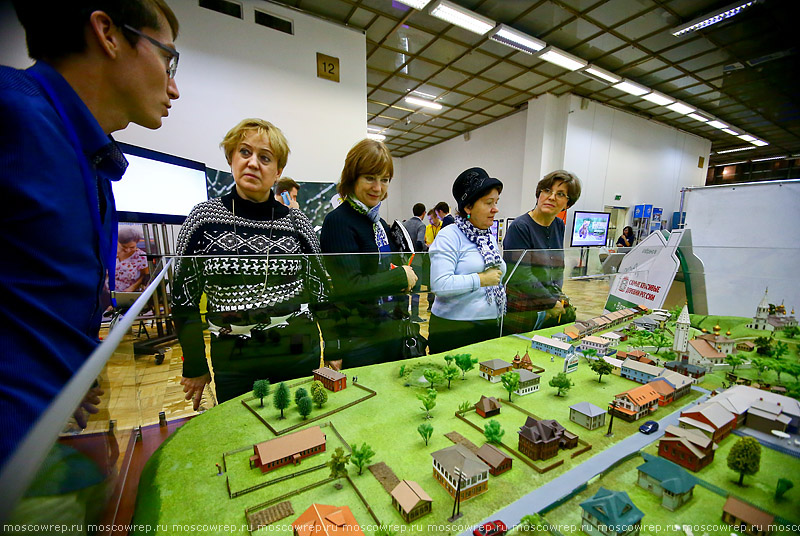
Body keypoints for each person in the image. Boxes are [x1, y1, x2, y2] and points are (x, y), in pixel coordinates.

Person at [0, 0, 180, 468]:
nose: (174, 88)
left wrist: (64, 370)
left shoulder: (93, 164)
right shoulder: (11, 113)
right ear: (108, 34)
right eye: (168, 59)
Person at [173, 119, 328, 407]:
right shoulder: (203, 220)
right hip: (235, 364)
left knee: (298, 432)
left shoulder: (297, 223)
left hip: (296, 355)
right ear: (231, 158)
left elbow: (322, 292)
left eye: (265, 157)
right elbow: (183, 301)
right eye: (245, 152)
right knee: (241, 442)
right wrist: (194, 365)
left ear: (278, 171)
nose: (253, 163)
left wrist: (333, 347)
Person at [320, 139, 418, 367]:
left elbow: (387, 270)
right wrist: (399, 277)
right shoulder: (338, 222)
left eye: (384, 180)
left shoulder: (380, 224)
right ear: (352, 177)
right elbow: (349, 287)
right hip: (359, 341)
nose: (378, 187)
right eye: (370, 178)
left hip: (390, 331)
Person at [428, 168, 506, 354]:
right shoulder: (449, 236)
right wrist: (481, 279)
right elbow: (440, 285)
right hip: (455, 331)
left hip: (490, 326)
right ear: (468, 207)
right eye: (489, 203)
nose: (495, 209)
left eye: (496, 202)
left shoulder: (488, 237)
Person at [502, 170, 582, 335]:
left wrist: (557, 300)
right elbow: (521, 275)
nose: (551, 197)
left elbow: (557, 269)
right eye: (547, 191)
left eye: (560, 194)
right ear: (538, 194)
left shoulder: (559, 225)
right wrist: (551, 303)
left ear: (567, 204)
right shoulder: (520, 227)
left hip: (549, 302)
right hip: (523, 308)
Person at [403, 203, 427, 322]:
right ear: (424, 213)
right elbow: (419, 242)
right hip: (416, 260)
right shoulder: (421, 225)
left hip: (405, 261)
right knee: (416, 290)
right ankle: (415, 315)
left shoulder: (405, 224)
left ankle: (404, 314)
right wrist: (426, 248)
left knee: (406, 289)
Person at [115, 226, 149, 292]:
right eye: (124, 247)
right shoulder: (109, 252)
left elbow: (145, 275)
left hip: (127, 292)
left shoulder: (140, 256)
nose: (127, 250)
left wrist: (133, 287)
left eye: (132, 247)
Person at [424, 208, 441, 311]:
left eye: (431, 219)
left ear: (436, 217)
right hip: (430, 257)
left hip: (440, 256)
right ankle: (430, 304)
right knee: (429, 282)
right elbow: (424, 241)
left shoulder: (443, 226)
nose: (430, 221)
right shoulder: (427, 228)